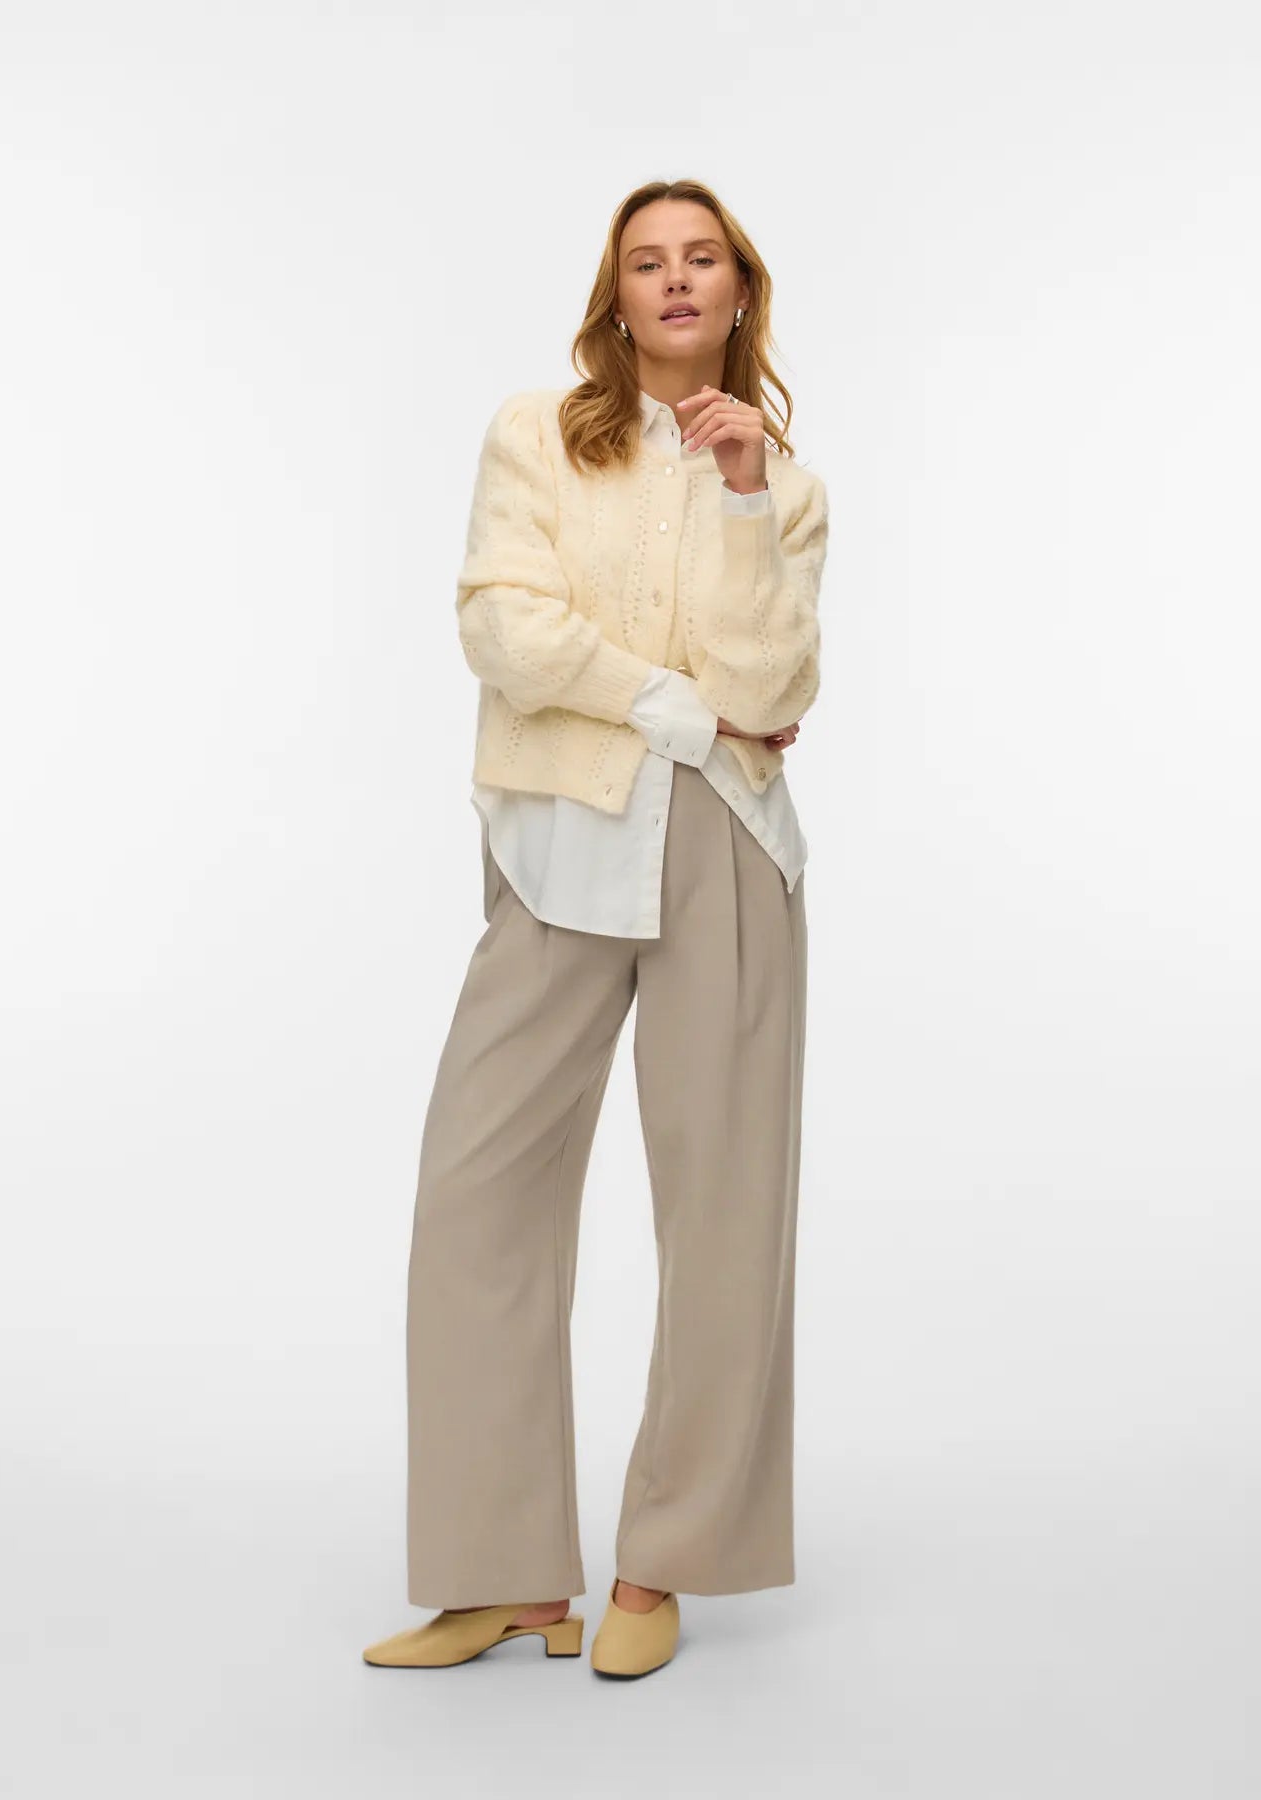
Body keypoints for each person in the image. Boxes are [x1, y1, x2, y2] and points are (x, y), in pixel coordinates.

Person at [363, 177, 830, 1680]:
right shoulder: (538, 434)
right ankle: (501, 1575)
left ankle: (662, 1562)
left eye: (701, 258)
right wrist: (673, 705)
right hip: (562, 837)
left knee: (724, 1211)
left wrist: (743, 500)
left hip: (726, 849)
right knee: (476, 1192)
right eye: (646, 261)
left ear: (739, 289)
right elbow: (501, 625)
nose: (675, 280)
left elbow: (775, 688)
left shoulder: (784, 484)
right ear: (615, 294)